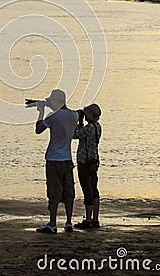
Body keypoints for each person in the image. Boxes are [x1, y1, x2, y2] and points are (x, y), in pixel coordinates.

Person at [35, 89, 79, 233]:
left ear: (56, 101)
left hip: (53, 158)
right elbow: (76, 115)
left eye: (52, 100)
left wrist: (41, 110)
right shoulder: (74, 115)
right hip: (67, 158)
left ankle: (53, 223)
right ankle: (68, 222)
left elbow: (38, 129)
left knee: (54, 191)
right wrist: (50, 105)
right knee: (68, 191)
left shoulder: (53, 116)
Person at [73, 103, 102, 228]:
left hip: (85, 161)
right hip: (94, 160)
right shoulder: (97, 126)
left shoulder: (89, 127)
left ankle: (88, 220)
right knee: (94, 189)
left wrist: (77, 121)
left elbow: (75, 134)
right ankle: (95, 219)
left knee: (87, 190)